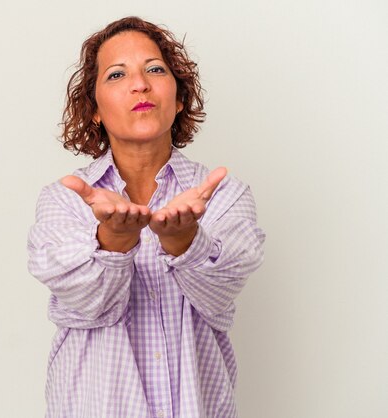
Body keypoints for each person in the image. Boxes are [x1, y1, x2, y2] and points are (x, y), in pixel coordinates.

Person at [27, 16, 266, 418]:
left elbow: (221, 293)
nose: (140, 84)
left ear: (178, 99)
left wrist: (184, 241)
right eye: (117, 74)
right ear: (95, 109)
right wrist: (113, 242)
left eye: (155, 69)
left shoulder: (225, 195)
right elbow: (86, 304)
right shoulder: (64, 200)